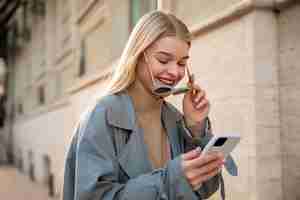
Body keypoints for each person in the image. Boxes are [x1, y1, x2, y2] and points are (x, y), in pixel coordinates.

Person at [62, 10, 237, 200]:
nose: (174, 72)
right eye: (163, 60)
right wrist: (170, 181)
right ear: (138, 55)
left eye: (181, 63)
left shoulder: (175, 118)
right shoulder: (102, 115)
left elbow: (202, 190)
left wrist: (196, 128)